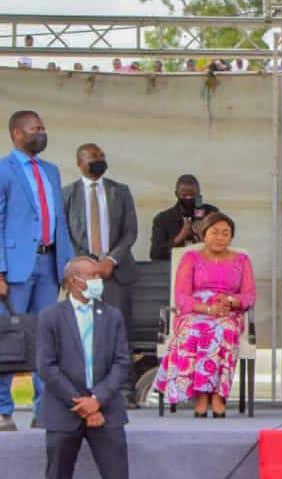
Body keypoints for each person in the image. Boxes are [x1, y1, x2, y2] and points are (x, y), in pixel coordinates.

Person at [0, 110, 73, 432]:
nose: (42, 133)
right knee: (7, 338)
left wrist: (67, 266)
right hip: (13, 267)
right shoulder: (3, 169)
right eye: (35, 129)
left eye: (44, 128)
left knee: (46, 339)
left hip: (48, 263)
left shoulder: (52, 171)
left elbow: (60, 221)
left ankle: (45, 411)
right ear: (17, 133)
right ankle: (3, 410)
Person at [37, 257, 130, 479]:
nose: (99, 281)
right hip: (63, 410)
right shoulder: (50, 316)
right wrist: (81, 403)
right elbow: (46, 366)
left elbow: (121, 361)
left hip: (106, 410)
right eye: (93, 276)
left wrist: (97, 400)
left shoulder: (112, 315)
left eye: (99, 275)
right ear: (74, 281)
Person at [154, 212, 255, 417]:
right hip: (196, 310)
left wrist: (230, 301)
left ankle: (218, 394)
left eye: (226, 233)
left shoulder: (242, 260)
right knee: (194, 329)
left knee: (224, 329)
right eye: (214, 232)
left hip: (229, 311)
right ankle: (201, 394)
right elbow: (181, 297)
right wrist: (208, 309)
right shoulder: (191, 258)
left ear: (231, 237)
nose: (220, 237)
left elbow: (249, 295)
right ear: (203, 234)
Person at [63, 143, 140, 409]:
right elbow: (64, 234)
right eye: (93, 157)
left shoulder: (120, 191)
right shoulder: (67, 194)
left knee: (118, 330)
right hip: (82, 275)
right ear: (79, 161)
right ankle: (85, 389)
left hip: (115, 273)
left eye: (102, 156)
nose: (99, 160)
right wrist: (86, 265)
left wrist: (110, 260)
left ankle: (125, 389)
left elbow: (131, 231)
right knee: (81, 332)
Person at [149, 174, 218, 260]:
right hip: (176, 268)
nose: (189, 199)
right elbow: (155, 255)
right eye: (184, 196)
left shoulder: (211, 213)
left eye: (193, 195)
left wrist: (203, 235)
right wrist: (179, 237)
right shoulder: (162, 219)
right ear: (176, 194)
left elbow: (222, 246)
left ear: (199, 194)